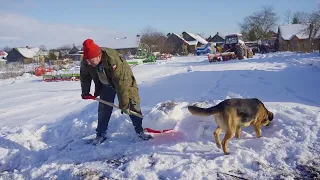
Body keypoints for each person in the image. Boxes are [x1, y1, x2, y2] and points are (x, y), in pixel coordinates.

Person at [80, 38, 152, 145]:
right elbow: (84, 76)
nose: (89, 63)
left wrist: (124, 104)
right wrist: (85, 92)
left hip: (123, 81)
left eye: (91, 60)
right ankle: (101, 134)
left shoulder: (112, 59)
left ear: (99, 56)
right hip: (105, 84)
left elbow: (121, 83)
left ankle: (140, 130)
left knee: (131, 104)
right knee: (104, 109)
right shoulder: (87, 60)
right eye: (87, 60)